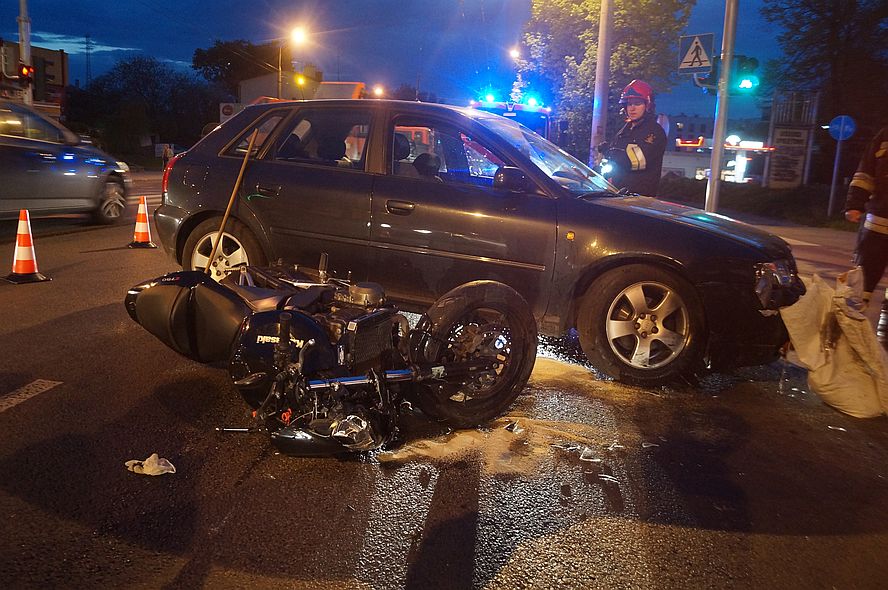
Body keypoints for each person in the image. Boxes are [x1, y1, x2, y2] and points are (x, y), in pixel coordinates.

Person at [844, 126, 888, 335]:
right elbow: (865, 173)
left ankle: (884, 334)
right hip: (878, 225)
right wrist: (855, 204)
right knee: (862, 284)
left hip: (878, 222)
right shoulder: (884, 136)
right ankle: (848, 332)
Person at [598, 79, 667, 196]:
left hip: (639, 199)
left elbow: (638, 161)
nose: (632, 108)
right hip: (617, 194)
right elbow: (613, 162)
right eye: (629, 104)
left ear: (648, 105)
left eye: (637, 103)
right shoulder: (624, 130)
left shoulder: (654, 131)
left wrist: (610, 153)